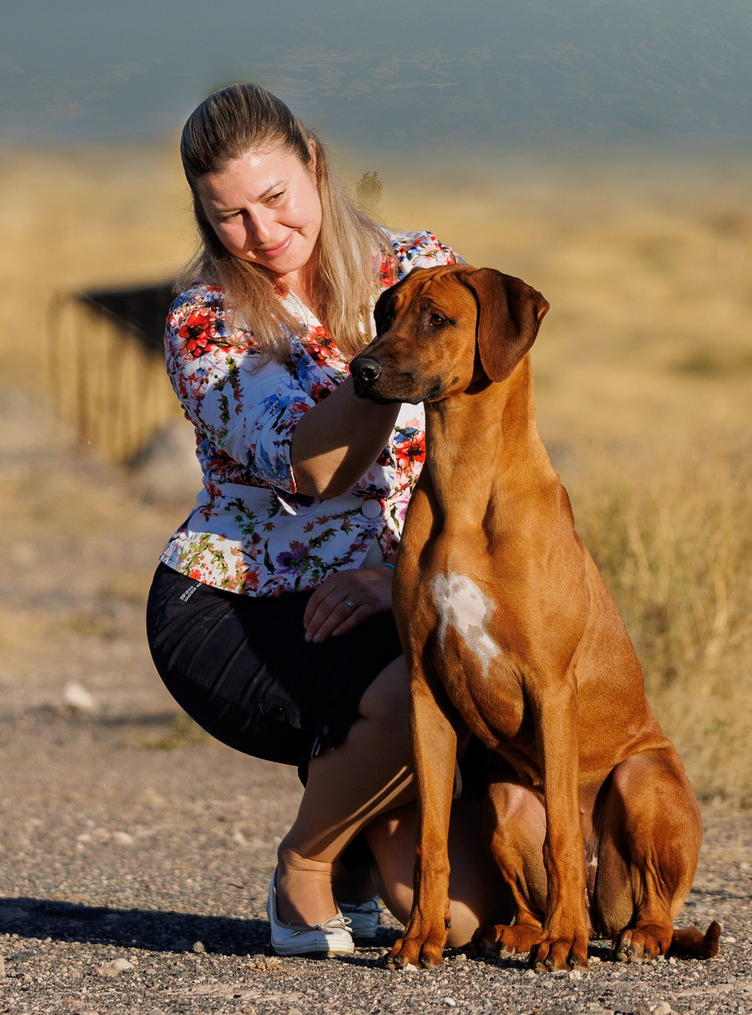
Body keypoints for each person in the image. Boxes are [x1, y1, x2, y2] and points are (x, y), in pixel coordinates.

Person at [144, 84, 535, 956]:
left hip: (395, 589)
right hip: (246, 600)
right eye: (231, 215)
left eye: (276, 197)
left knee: (475, 924)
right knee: (411, 696)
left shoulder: (423, 266)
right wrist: (384, 357)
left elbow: (485, 433)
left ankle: (363, 843)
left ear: (315, 162)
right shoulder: (204, 318)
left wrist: (402, 576)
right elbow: (316, 470)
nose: (263, 233)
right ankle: (307, 866)